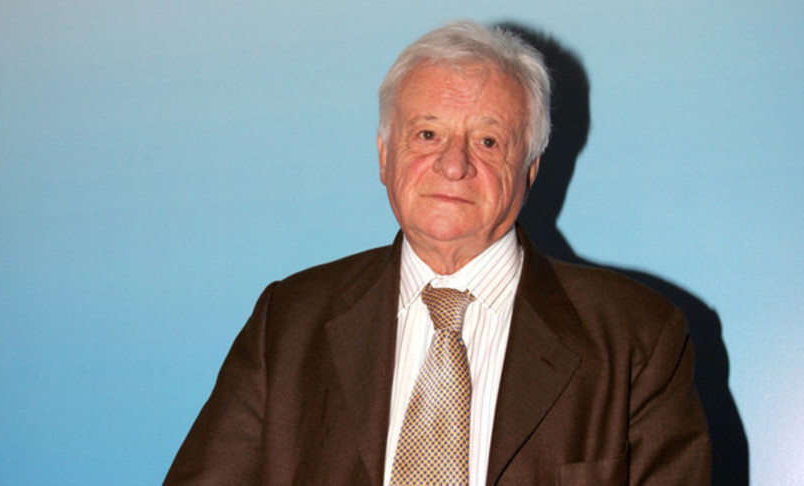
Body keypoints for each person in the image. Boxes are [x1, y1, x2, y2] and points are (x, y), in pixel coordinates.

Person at [164, 20, 710, 485]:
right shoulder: (287, 323)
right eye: (427, 134)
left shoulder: (636, 338)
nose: (454, 165)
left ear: (530, 169)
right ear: (384, 157)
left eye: (488, 141)